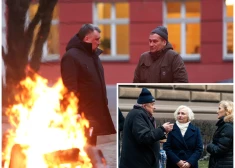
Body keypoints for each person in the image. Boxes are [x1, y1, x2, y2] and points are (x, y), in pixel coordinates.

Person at [61, 24, 116, 146]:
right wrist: (74, 112)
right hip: (82, 113)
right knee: (81, 147)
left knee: (91, 146)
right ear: (86, 39)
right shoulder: (71, 56)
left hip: (94, 112)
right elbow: (69, 87)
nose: (99, 42)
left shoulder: (93, 55)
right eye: (96, 39)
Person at [120, 88, 174, 168]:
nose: (154, 107)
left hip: (144, 162)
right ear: (144, 105)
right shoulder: (137, 115)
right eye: (152, 104)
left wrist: (163, 133)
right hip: (137, 164)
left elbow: (150, 134)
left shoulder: (143, 115)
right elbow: (144, 137)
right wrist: (162, 129)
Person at [207, 100, 233, 168]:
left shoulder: (228, 127)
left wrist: (208, 146)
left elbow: (218, 150)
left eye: (219, 108)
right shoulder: (226, 125)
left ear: (227, 111)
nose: (217, 111)